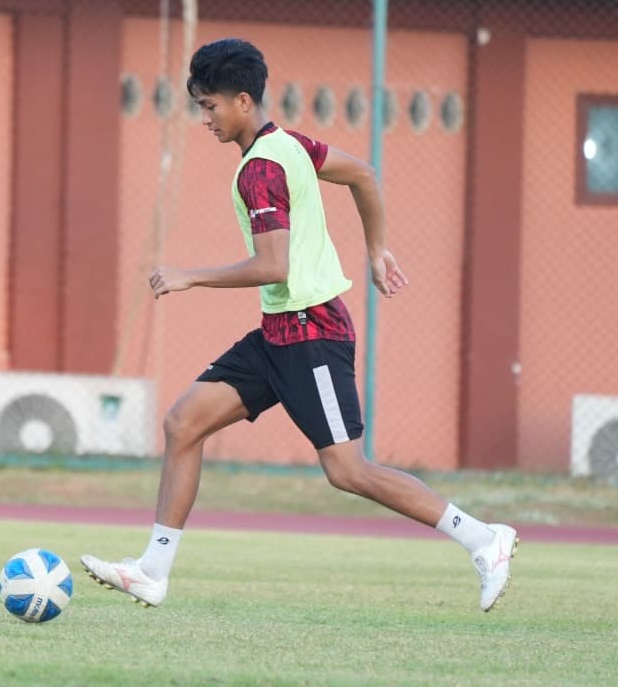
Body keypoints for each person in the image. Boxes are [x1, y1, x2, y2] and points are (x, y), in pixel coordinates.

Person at [80, 38, 518, 613]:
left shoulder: (260, 169)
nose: (204, 119)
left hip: (312, 333)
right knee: (184, 423)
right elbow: (362, 173)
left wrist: (190, 277)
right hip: (279, 333)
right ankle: (152, 572)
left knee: (346, 470)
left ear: (242, 100)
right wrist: (377, 249)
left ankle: (485, 539)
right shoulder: (291, 146)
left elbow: (274, 265)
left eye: (210, 106)